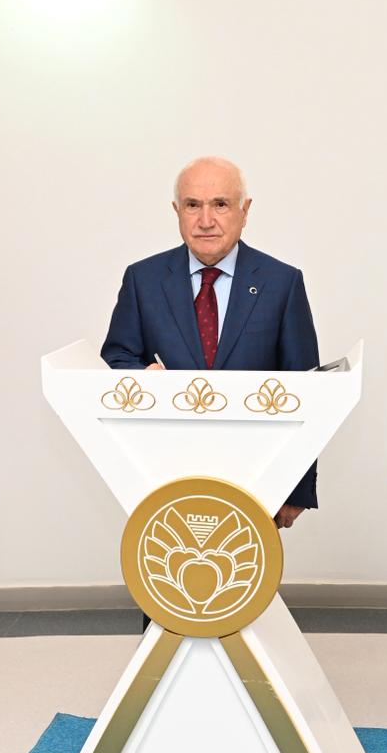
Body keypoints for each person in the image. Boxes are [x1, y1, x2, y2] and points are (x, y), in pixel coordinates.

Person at [102, 156, 320, 526]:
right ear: (177, 211)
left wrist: (296, 489)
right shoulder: (143, 280)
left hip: (258, 478)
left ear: (244, 211)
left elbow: (308, 390)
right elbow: (116, 356)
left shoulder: (282, 283)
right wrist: (142, 377)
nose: (205, 221)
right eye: (193, 205)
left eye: (220, 204)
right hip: (162, 475)